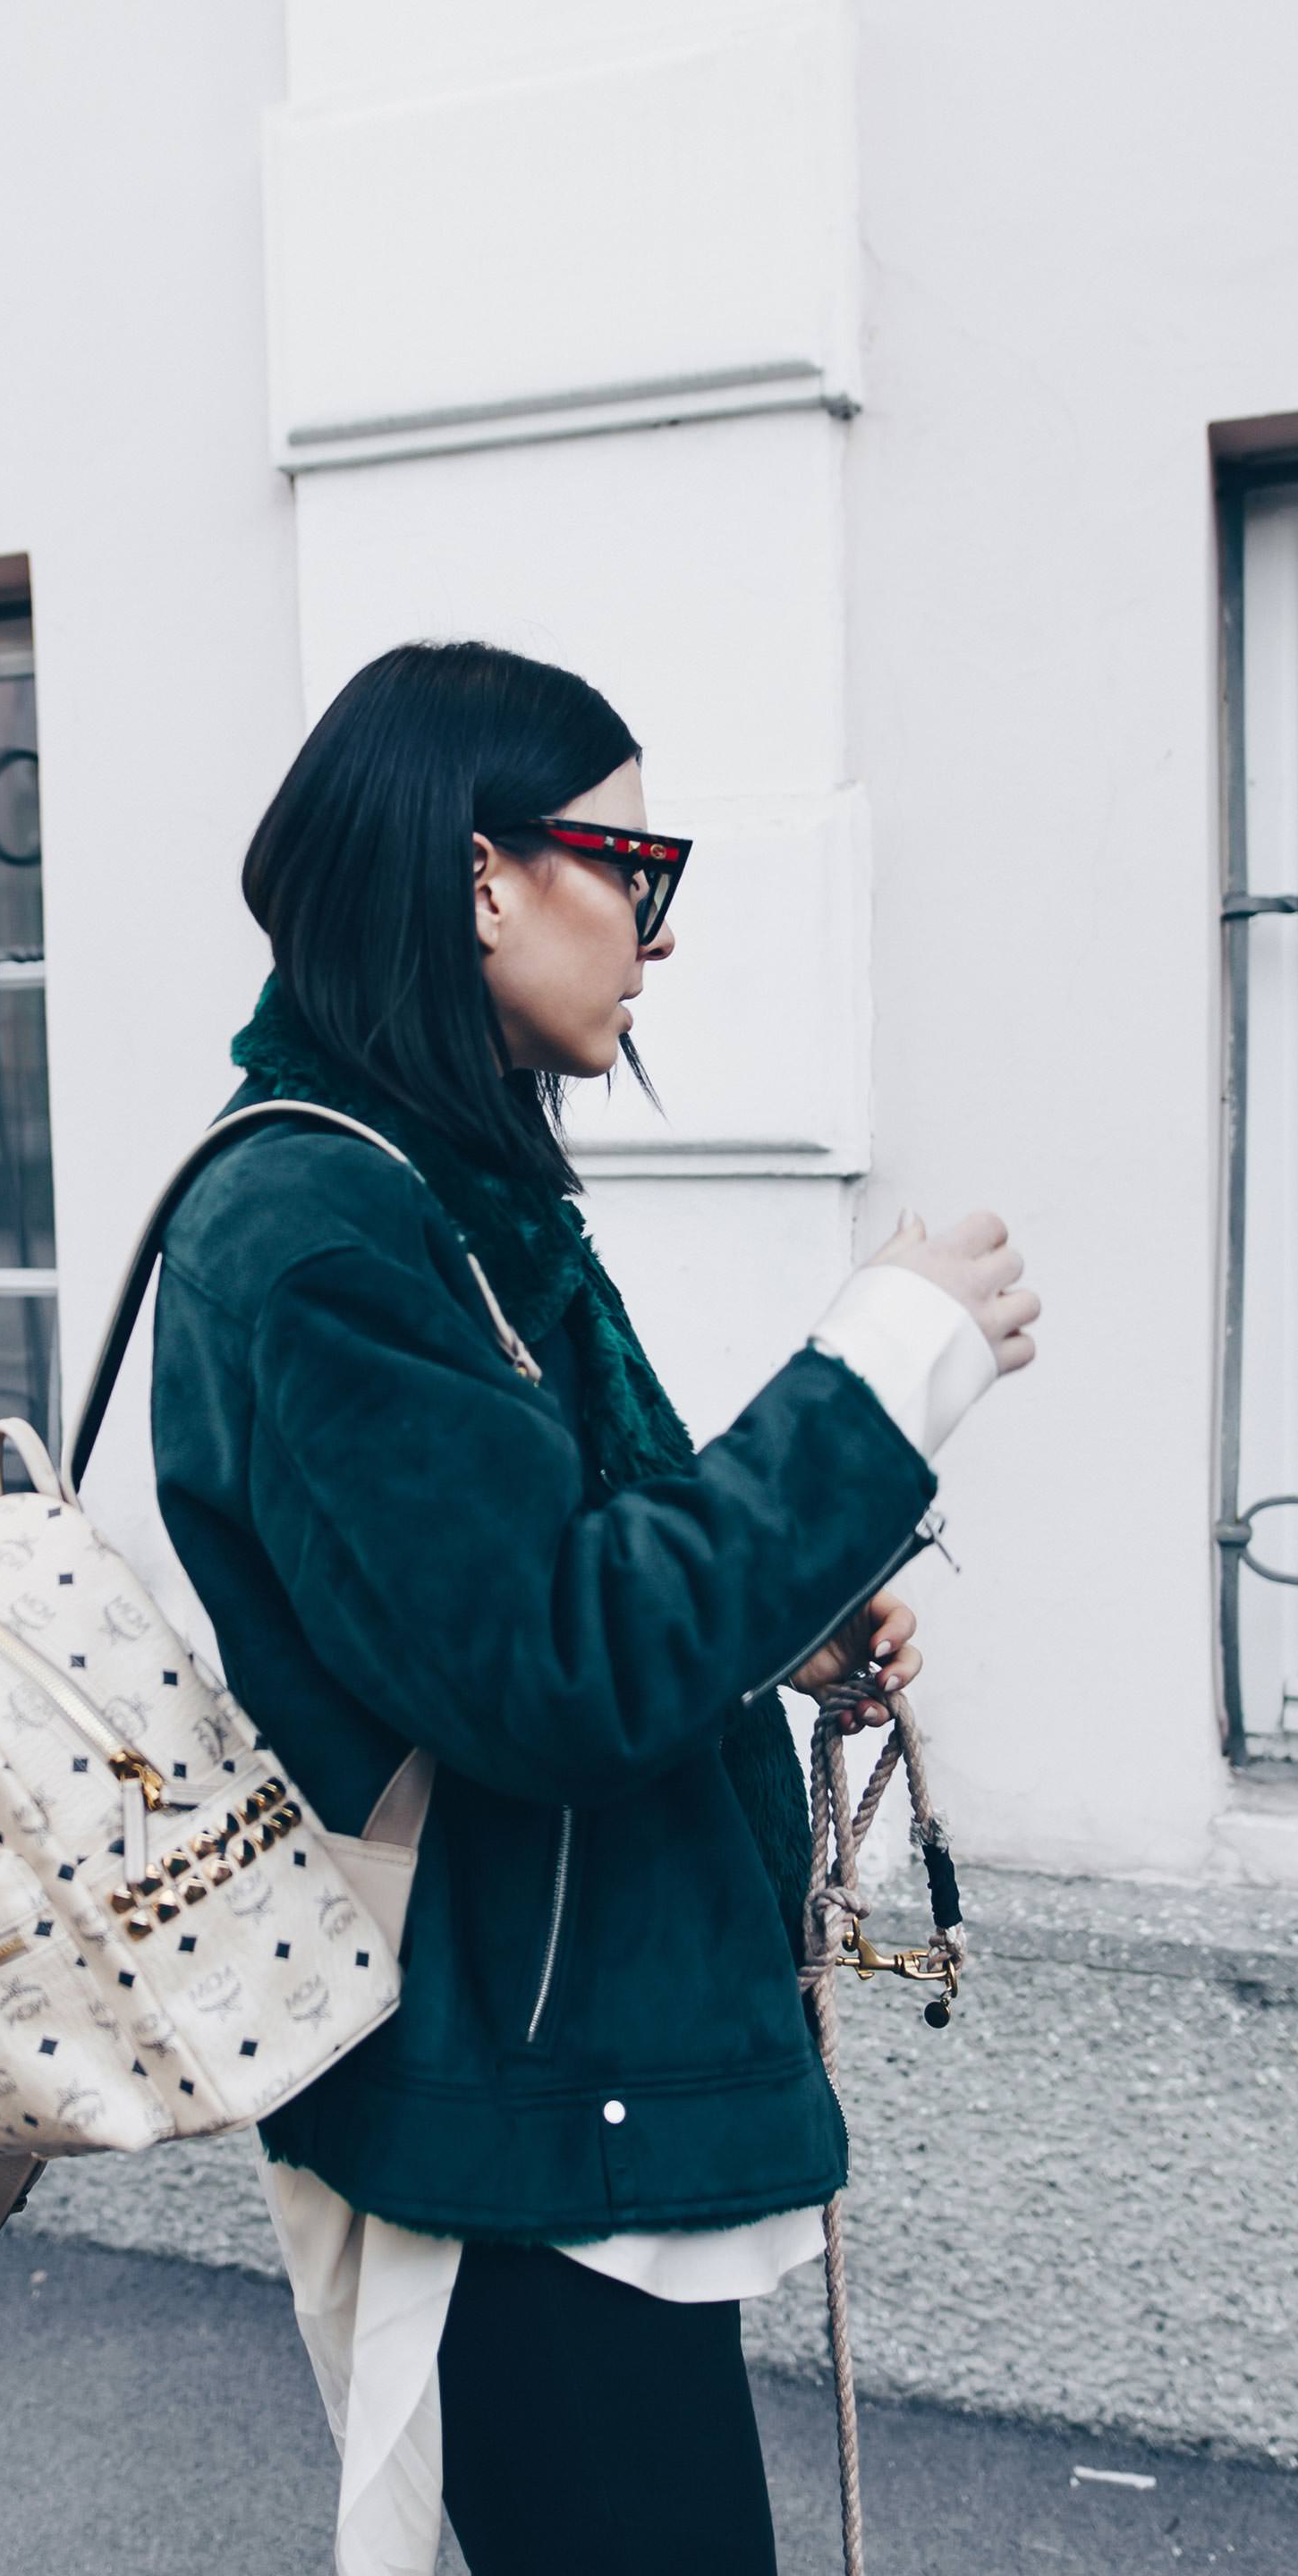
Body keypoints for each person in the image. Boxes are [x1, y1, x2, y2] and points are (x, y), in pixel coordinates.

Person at [148, 640, 1038, 2576]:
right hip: (517, 2121)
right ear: (484, 878)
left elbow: (557, 1584)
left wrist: (785, 1623)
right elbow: (548, 1673)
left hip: (565, 2091)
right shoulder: (319, 1227)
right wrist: (884, 1370)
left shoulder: (444, 1194)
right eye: (629, 862)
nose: (655, 926)